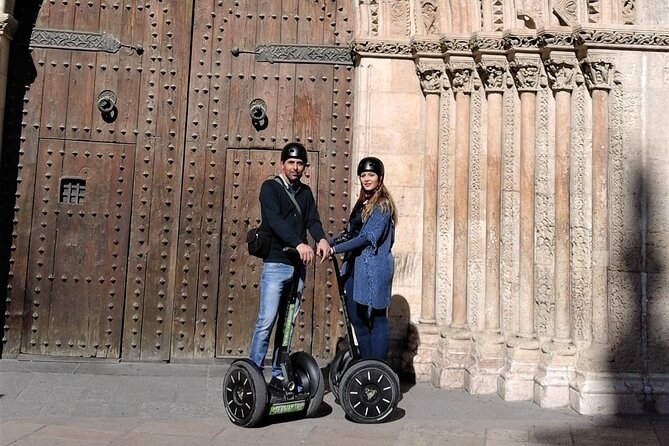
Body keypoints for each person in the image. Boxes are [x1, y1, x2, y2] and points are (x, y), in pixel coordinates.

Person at [248, 142, 330, 386]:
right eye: (291, 162)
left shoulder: (305, 193)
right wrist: (299, 244)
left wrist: (321, 238)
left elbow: (312, 220)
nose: (295, 167)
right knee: (267, 320)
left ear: (304, 166)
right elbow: (274, 221)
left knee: (287, 324)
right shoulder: (270, 188)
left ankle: (278, 373)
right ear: (282, 163)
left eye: (300, 163)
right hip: (276, 264)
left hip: (297, 269)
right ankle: (253, 373)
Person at [329, 157, 396, 361]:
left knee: (376, 317)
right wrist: (326, 241)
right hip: (355, 268)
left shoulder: (382, 206)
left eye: (371, 175)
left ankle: (378, 368)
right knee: (357, 317)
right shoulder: (362, 203)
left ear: (380, 178)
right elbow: (351, 232)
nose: (367, 179)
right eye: (364, 175)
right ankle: (366, 365)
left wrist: (335, 249)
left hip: (375, 268)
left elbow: (368, 237)